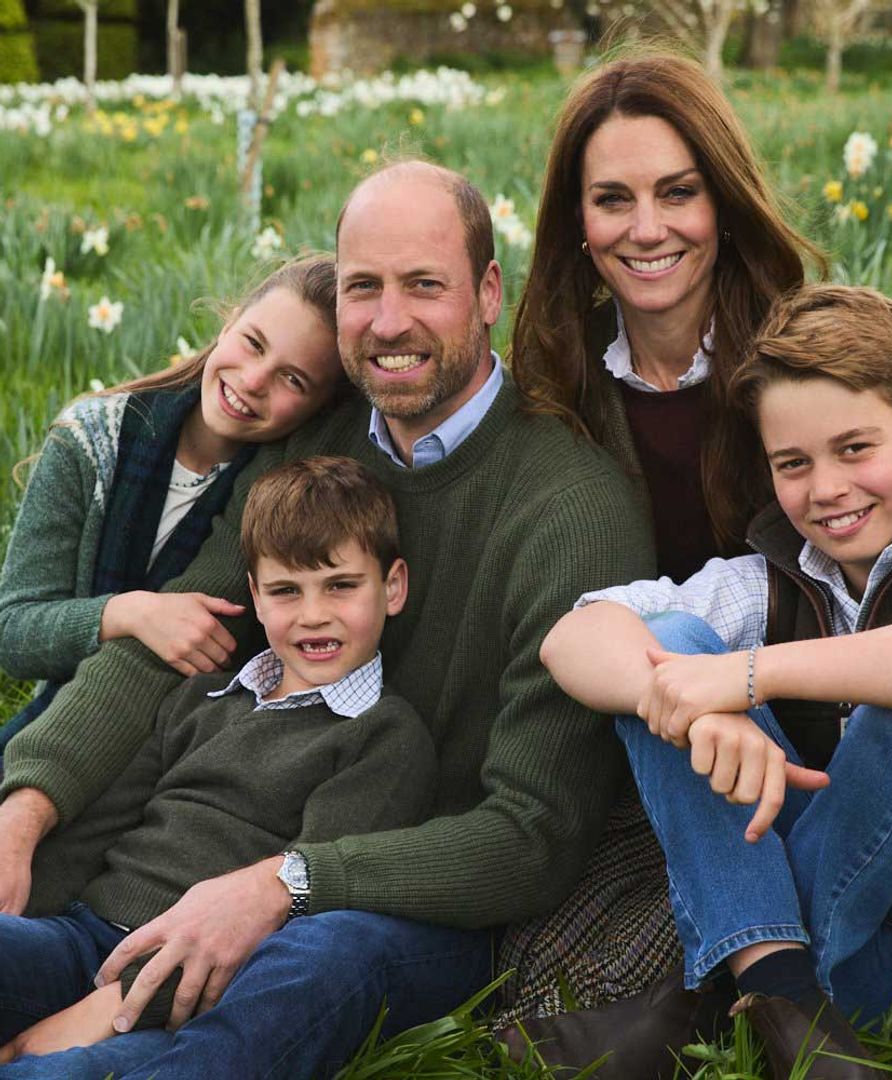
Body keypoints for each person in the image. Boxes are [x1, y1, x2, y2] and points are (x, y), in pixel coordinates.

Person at [0, 161, 653, 1079]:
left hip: (405, 905)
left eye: (425, 285)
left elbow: (531, 835)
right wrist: (23, 813)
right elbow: (175, 640)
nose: (389, 322)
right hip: (178, 889)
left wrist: (284, 886)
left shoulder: (571, 510)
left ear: (489, 293)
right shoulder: (314, 446)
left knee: (307, 966)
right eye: (363, 289)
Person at [541, 284, 892, 1079]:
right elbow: (573, 636)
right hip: (854, 982)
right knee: (667, 645)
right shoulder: (774, 579)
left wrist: (748, 677)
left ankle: (727, 999)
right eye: (793, 463)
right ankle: (784, 998)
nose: (826, 488)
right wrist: (697, 709)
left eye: (854, 448)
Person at [499, 46, 826, 1049]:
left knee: (676, 627)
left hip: (801, 723)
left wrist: (709, 679)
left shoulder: (806, 354)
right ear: (577, 223)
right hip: (630, 722)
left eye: (678, 192)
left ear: (723, 202)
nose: (647, 229)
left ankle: (756, 991)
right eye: (613, 200)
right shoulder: (553, 381)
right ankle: (759, 996)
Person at [0, 456, 436, 1073]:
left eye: (341, 585)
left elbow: (290, 913)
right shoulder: (202, 697)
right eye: (286, 590)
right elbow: (99, 829)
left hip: (187, 996)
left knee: (56, 1071)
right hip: (82, 939)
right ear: (255, 596)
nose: (313, 614)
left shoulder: (383, 738)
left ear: (392, 586)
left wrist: (100, 1012)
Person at [0, 255, 344, 761]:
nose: (252, 381)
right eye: (252, 343)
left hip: (191, 747)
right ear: (229, 322)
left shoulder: (288, 495)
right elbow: (14, 632)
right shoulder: (93, 441)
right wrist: (130, 613)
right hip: (64, 724)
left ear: (318, 408)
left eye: (292, 380)